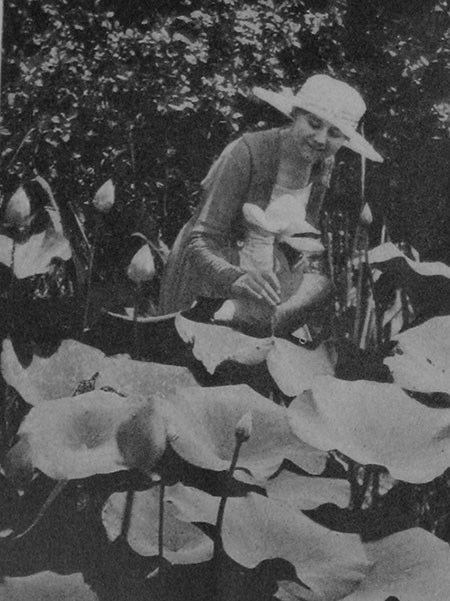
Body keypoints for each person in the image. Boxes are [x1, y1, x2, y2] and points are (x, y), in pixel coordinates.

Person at [159, 74, 383, 337]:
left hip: (268, 279)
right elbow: (201, 241)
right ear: (295, 115)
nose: (321, 139)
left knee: (316, 292)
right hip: (212, 272)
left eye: (335, 134)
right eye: (313, 123)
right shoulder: (247, 152)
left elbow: (299, 236)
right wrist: (237, 278)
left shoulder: (323, 164)